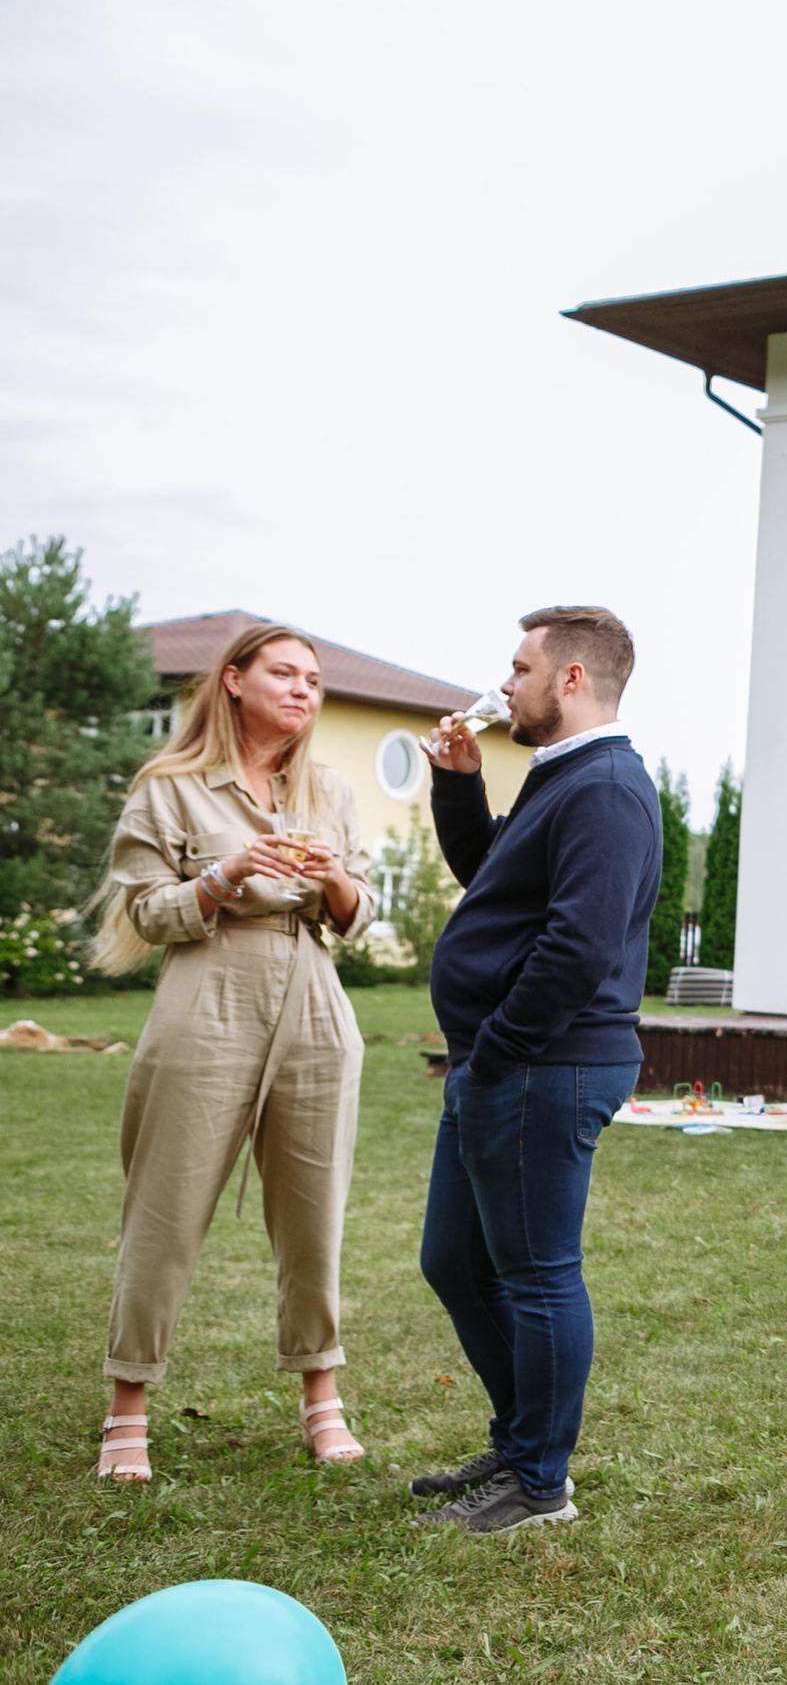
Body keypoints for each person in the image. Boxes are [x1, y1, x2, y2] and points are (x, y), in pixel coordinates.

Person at [87, 624, 379, 1481]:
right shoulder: (169, 789)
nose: (303, 690)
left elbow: (357, 917)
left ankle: (321, 1399)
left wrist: (330, 878)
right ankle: (127, 1405)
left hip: (316, 1002)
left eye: (314, 679)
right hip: (208, 991)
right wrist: (223, 877)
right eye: (284, 673)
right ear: (233, 681)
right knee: (166, 1210)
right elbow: (145, 911)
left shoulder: (327, 790)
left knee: (315, 1212)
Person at [410, 606, 660, 1534]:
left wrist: (502, 1049)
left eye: (519, 668)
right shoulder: (558, 778)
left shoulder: (605, 787)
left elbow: (579, 947)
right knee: (455, 1260)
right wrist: (458, 787)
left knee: (536, 1273)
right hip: (499, 1063)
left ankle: (538, 1481)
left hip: (538, 1064)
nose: (503, 684)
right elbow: (495, 881)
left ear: (571, 680)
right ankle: (524, 1441)